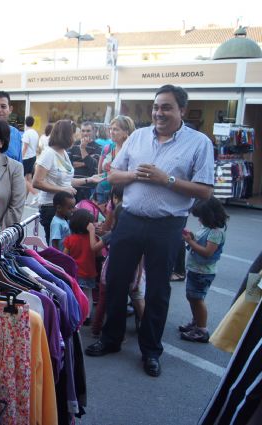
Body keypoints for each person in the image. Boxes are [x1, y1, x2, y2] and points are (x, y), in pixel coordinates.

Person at [84, 84, 215, 379]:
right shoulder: (139, 137)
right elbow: (113, 174)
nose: (159, 112)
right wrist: (137, 175)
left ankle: (151, 351)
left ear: (182, 110)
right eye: (156, 107)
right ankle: (111, 338)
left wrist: (165, 179)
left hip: (167, 226)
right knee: (116, 282)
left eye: (167, 107)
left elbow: (205, 191)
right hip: (129, 220)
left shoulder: (199, 143)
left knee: (158, 290)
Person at [32, 120, 102, 243]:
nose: (75, 137)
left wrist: (89, 179)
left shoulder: (63, 152)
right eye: (74, 134)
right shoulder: (49, 153)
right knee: (56, 250)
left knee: (64, 248)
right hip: (51, 208)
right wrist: (63, 190)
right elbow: (36, 182)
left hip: (63, 208)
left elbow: (67, 181)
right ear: (66, 135)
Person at [179, 197, 228, 343]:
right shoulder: (207, 228)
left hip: (203, 272)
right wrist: (192, 237)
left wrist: (190, 241)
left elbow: (207, 252)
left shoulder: (216, 232)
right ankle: (196, 322)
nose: (199, 219)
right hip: (196, 270)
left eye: (201, 217)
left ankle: (202, 329)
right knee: (192, 297)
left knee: (197, 299)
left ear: (209, 216)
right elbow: (200, 242)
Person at [63, 209, 100, 325]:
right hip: (89, 271)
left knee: (76, 293)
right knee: (88, 294)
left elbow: (64, 256)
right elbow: (99, 254)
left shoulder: (70, 239)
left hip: (75, 272)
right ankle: (87, 316)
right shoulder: (94, 240)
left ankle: (77, 313)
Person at [97, 115, 135, 200]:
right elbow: (99, 172)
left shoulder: (133, 150)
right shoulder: (107, 148)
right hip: (103, 193)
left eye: (116, 129)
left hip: (123, 195)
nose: (111, 132)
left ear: (126, 132)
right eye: (111, 129)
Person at [68, 121, 101, 202]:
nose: (85, 133)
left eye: (88, 131)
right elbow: (67, 164)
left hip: (88, 188)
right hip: (73, 187)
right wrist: (85, 162)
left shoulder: (98, 147)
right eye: (83, 131)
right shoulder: (74, 145)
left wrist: (83, 149)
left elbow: (93, 165)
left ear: (93, 131)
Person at [22, 116, 40, 205]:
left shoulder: (27, 133)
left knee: (23, 178)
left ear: (25, 122)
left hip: (26, 157)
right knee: (28, 178)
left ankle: (35, 193)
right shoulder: (35, 133)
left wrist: (20, 158)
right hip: (33, 156)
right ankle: (25, 200)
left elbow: (25, 147)